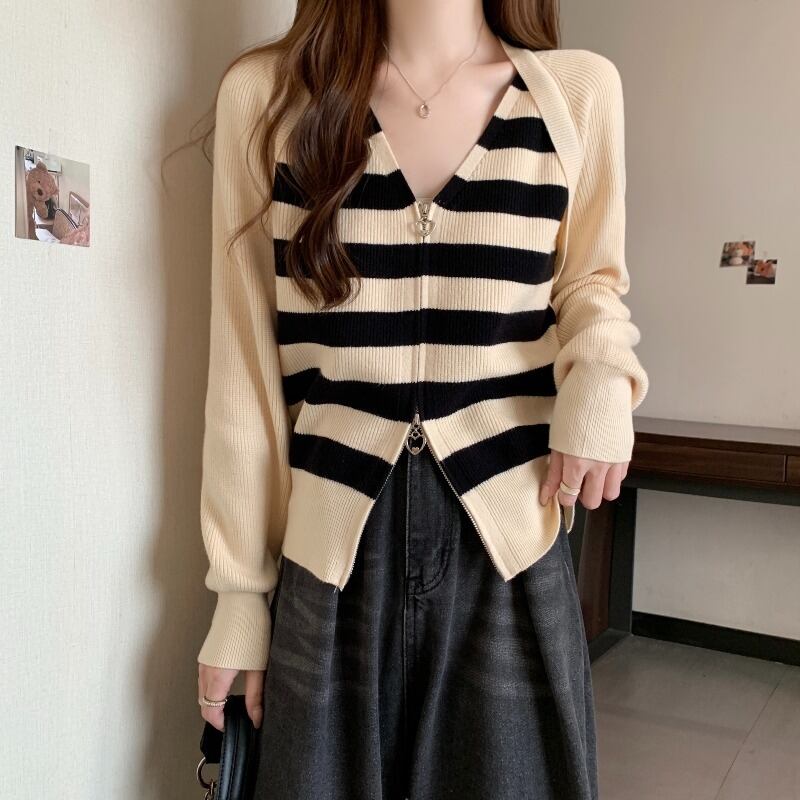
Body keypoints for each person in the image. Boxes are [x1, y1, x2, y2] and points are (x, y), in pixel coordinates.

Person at [194, 1, 649, 797]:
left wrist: (605, 375)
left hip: (508, 555)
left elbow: (590, 284)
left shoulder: (576, 92)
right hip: (330, 567)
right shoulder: (266, 98)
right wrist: (239, 591)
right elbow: (243, 363)